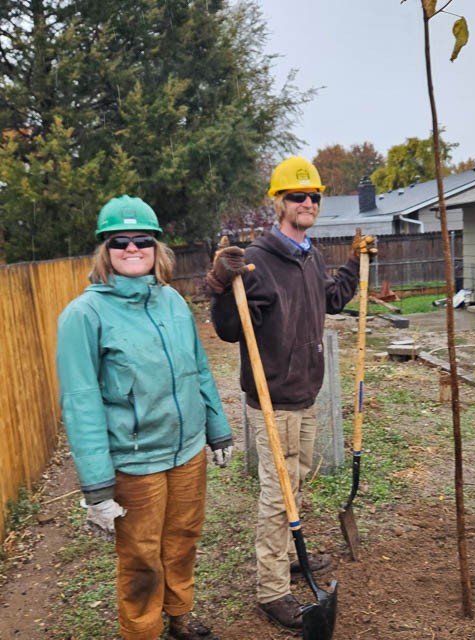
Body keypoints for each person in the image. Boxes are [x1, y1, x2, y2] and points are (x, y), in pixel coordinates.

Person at [206, 156, 376, 633]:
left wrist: (353, 264)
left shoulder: (309, 255)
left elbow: (329, 299)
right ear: (277, 202)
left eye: (313, 196)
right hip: (273, 398)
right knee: (277, 496)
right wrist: (220, 284)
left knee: (295, 485)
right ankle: (271, 589)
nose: (307, 203)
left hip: (306, 394)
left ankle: (288, 557)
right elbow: (227, 328)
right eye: (297, 196)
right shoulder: (258, 260)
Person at [56, 195, 234, 640]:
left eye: (142, 240)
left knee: (183, 539)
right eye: (120, 241)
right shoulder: (84, 315)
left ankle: (180, 618)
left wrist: (217, 429)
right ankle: (143, 632)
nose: (132, 249)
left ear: (157, 248)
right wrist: (97, 485)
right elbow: (81, 403)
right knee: (141, 560)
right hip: (136, 464)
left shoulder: (171, 301)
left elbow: (198, 369)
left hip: (188, 450)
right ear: (105, 251)